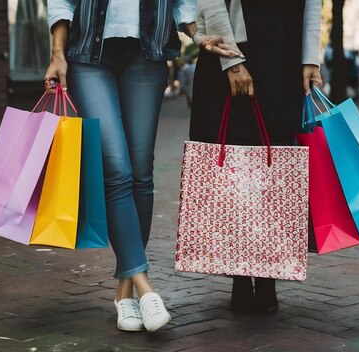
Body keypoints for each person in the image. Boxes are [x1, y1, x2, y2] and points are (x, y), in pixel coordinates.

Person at [44, 0, 196, 332]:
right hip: (88, 55)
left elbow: (185, 4)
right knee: (116, 167)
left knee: (141, 173)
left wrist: (201, 34)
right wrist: (58, 53)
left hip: (148, 53)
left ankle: (124, 292)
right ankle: (145, 286)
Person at [190, 0, 322, 315]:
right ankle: (239, 273)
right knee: (237, 162)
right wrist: (232, 62)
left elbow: (313, 4)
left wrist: (311, 59)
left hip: (284, 56)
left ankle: (266, 274)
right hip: (236, 50)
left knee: (275, 164)